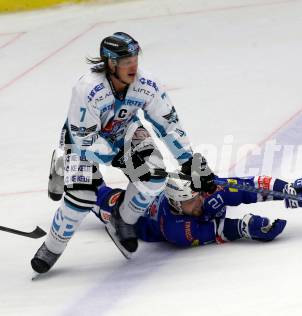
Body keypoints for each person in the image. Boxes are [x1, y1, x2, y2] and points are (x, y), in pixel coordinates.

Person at [31, 32, 216, 274]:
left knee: (154, 177)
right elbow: (84, 138)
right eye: (126, 61)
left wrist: (189, 161)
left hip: (125, 133)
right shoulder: (87, 89)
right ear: (111, 63)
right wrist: (116, 157)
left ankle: (123, 220)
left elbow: (168, 123)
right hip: (81, 142)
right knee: (81, 200)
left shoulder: (146, 84)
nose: (133, 66)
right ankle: (52, 247)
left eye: (135, 59)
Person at [93, 175, 302, 249]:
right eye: (190, 202)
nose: (198, 202)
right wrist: (246, 227)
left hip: (147, 195)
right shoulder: (176, 229)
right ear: (176, 205)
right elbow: (213, 230)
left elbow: (250, 187)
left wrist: (287, 190)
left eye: (197, 196)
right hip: (137, 224)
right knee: (100, 198)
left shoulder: (206, 191)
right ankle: (75, 180)